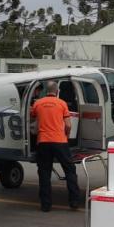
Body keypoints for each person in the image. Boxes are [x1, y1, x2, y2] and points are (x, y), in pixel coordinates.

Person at [30, 81, 81, 212]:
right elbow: (68, 125)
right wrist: (67, 136)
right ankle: (74, 201)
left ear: (46, 91)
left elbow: (32, 117)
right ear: (57, 91)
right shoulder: (62, 103)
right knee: (70, 170)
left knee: (44, 173)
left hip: (43, 142)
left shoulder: (38, 103)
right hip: (60, 141)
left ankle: (45, 205)